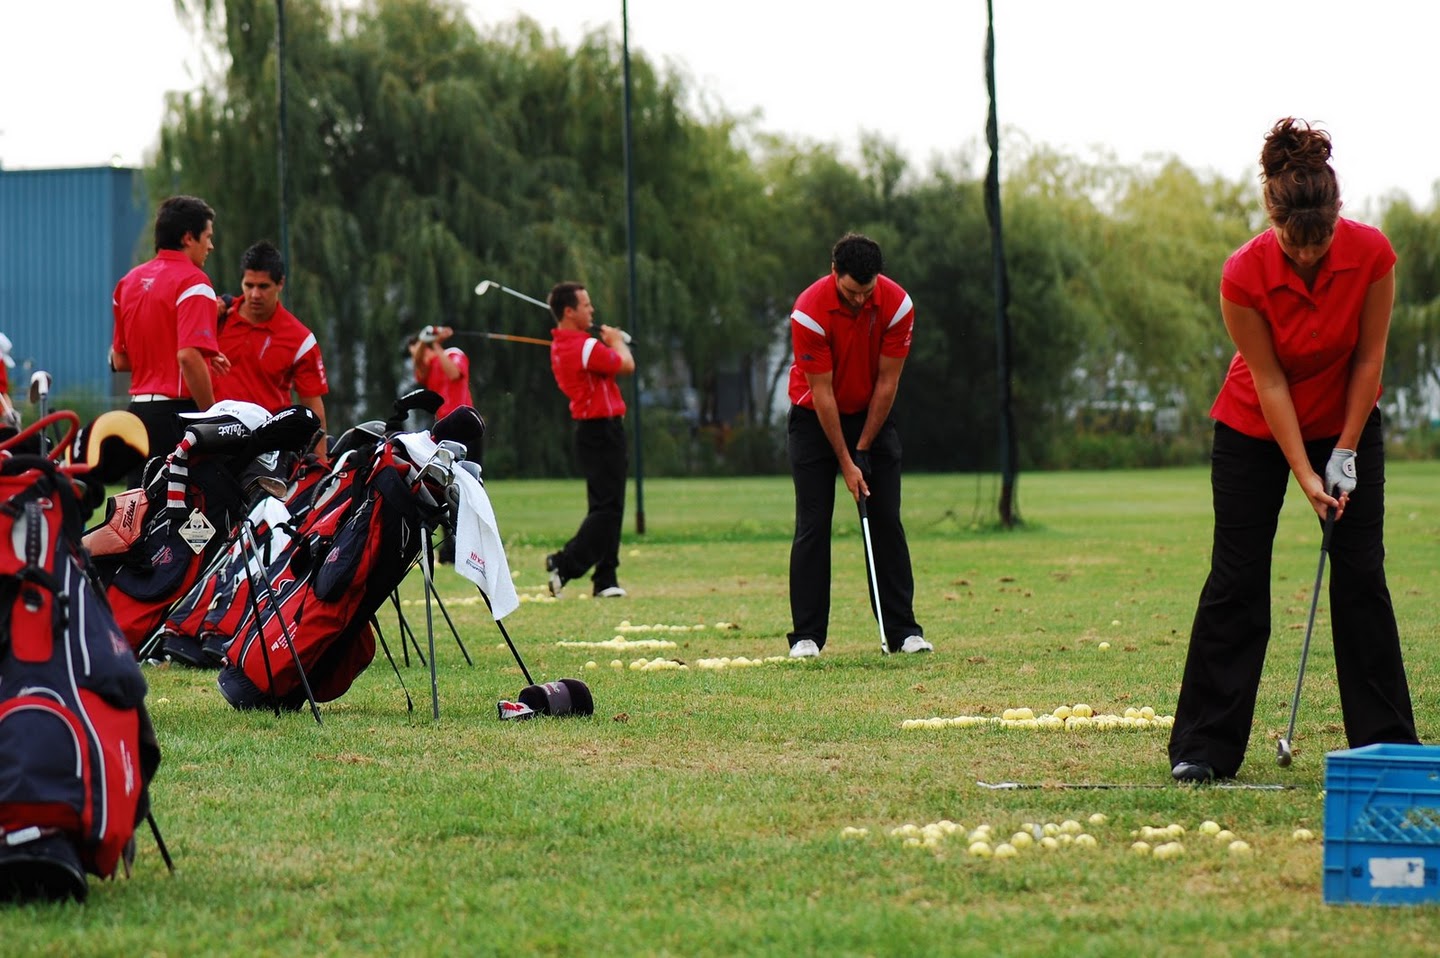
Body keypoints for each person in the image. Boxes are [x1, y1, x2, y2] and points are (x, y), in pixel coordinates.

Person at [1168, 118, 1418, 783]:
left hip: (1347, 419)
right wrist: (1305, 473)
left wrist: (1343, 452)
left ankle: (1386, 743)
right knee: (1238, 577)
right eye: (1293, 244)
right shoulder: (1242, 273)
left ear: (1337, 217)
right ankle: (1203, 747)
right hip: (1255, 426)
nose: (1307, 257)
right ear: (1271, 218)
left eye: (1320, 243)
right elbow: (1269, 379)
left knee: (1360, 574)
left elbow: (1370, 359)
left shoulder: (1372, 255)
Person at [784, 233, 930, 658]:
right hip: (815, 419)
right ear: (834, 274)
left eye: (866, 293)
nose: (859, 301)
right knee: (813, 523)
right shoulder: (808, 312)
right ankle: (807, 636)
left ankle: (904, 632)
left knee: (885, 520)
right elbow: (823, 393)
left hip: (873, 417)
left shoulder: (897, 305)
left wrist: (864, 447)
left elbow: (888, 382)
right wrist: (847, 462)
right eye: (850, 293)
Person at [110, 195, 229, 488]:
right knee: (188, 516)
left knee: (134, 516)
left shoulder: (128, 282)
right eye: (208, 237)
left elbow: (119, 360)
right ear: (189, 237)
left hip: (136, 414)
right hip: (175, 415)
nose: (210, 246)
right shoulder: (195, 282)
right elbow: (188, 356)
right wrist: (211, 418)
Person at [544, 281, 633, 598]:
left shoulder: (567, 345)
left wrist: (605, 342)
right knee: (607, 510)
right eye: (586, 305)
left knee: (609, 507)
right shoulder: (584, 347)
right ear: (569, 311)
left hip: (595, 431)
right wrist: (617, 340)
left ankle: (606, 578)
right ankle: (565, 563)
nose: (592, 309)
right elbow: (626, 364)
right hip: (601, 431)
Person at [212, 241, 329, 459]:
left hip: (268, 447)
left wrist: (320, 466)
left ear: (280, 284)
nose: (255, 294)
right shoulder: (215, 318)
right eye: (249, 285)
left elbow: (314, 408)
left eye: (263, 286)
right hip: (214, 438)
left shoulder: (300, 339)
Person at [408, 325, 473, 418]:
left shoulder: (453, 354)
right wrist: (424, 341)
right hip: (443, 422)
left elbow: (454, 375)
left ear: (427, 349)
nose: (414, 358)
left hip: (464, 418)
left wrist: (435, 343)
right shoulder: (427, 369)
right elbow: (418, 361)